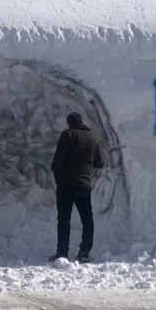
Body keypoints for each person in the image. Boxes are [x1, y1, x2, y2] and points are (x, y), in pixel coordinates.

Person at [49, 112, 104, 263]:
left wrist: (58, 176)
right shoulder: (93, 138)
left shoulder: (68, 135)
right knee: (87, 219)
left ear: (70, 123)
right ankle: (84, 252)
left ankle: (62, 253)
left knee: (64, 220)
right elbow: (100, 163)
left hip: (66, 185)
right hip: (84, 185)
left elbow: (57, 162)